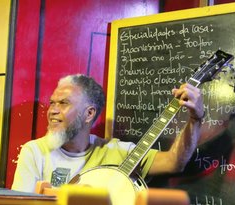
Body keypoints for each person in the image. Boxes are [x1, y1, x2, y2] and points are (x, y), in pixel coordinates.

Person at [12, 74, 204, 193]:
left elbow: (174, 162)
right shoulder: (34, 151)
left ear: (89, 114)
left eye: (63, 103)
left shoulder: (118, 151)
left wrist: (195, 119)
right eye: (52, 102)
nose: (52, 110)